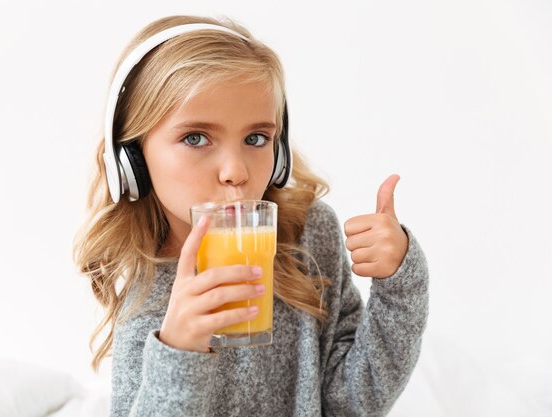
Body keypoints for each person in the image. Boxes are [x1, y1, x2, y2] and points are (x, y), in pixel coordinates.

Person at [72, 14, 429, 417]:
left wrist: (399, 280)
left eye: (256, 139)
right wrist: (177, 352)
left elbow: (353, 401)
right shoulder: (148, 303)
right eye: (195, 138)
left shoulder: (310, 237)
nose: (236, 172)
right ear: (132, 160)